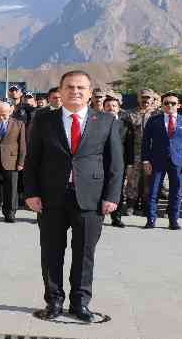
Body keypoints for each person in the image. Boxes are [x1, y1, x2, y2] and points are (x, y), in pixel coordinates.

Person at [24, 70, 123, 322]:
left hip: (90, 200)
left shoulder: (106, 121)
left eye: (81, 87)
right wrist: (31, 193)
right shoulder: (43, 120)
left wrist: (111, 196)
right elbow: (33, 159)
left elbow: (115, 163)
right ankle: (54, 301)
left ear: (90, 93)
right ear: (60, 90)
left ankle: (80, 302)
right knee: (51, 252)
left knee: (84, 254)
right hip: (51, 198)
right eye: (70, 87)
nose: (75, 91)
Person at [141, 93, 182, 229]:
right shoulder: (154, 120)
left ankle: (173, 220)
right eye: (166, 103)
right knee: (153, 191)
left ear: (178, 105)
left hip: (178, 161)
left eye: (172, 103)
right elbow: (146, 141)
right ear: (162, 104)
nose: (169, 105)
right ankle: (151, 220)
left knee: (176, 192)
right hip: (157, 161)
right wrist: (146, 160)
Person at [102, 94, 134, 228]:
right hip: (99, 162)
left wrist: (130, 164)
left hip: (119, 162)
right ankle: (99, 216)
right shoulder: (96, 122)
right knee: (99, 188)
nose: (111, 108)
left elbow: (129, 145)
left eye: (114, 106)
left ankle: (117, 217)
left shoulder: (125, 124)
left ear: (118, 108)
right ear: (103, 108)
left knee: (117, 190)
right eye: (108, 106)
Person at [125, 89, 157, 215]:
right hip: (135, 152)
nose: (146, 100)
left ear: (152, 99)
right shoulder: (130, 114)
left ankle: (146, 205)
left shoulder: (157, 115)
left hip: (151, 153)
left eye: (148, 97)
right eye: (143, 97)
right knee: (133, 180)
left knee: (149, 180)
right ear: (138, 99)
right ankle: (130, 205)